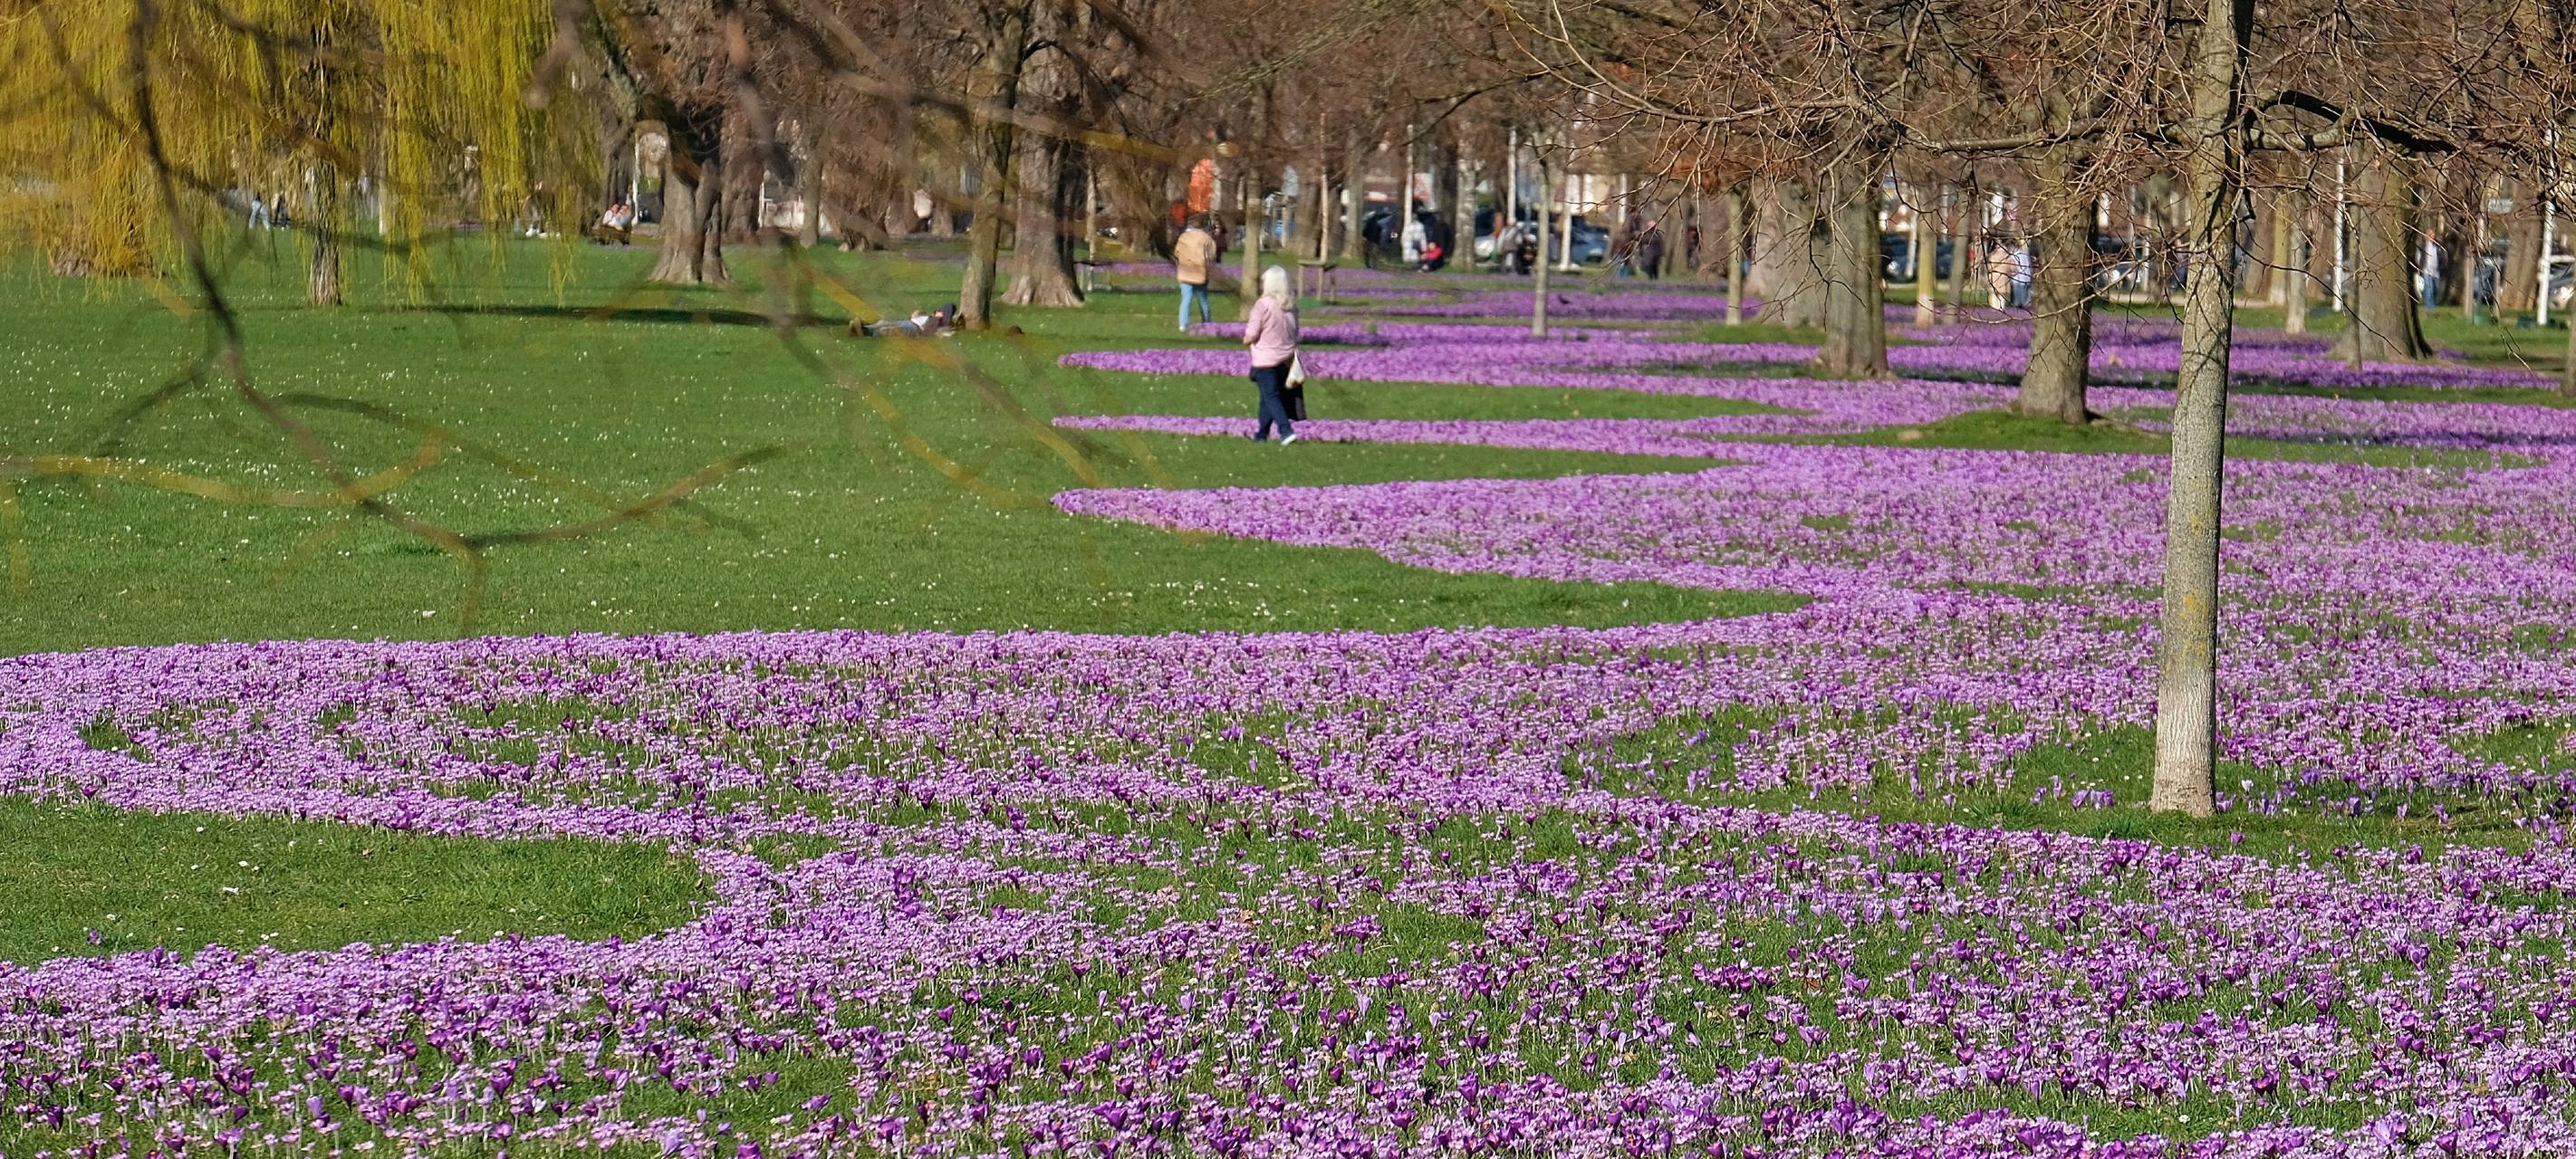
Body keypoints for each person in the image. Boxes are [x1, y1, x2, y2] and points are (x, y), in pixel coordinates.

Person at [1242, 265, 1300, 445]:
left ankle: (1286, 431)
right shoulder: (1291, 306)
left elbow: (1252, 333)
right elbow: (1296, 331)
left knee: (1271, 397)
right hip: (1286, 360)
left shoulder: (1263, 305)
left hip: (1265, 360)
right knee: (1267, 398)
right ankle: (1261, 435)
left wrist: (1246, 339)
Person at [1174, 216, 1218, 332]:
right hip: (1200, 272)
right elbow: (1212, 255)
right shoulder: (1206, 238)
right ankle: (1207, 322)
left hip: (1185, 272)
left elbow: (1177, 252)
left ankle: (1183, 324)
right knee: (1203, 300)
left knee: (1186, 300)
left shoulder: (1183, 237)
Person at [2419, 235, 2445, 309]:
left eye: (2433, 235)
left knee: (2435, 289)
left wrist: (2441, 266)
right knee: (2429, 289)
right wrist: (2421, 267)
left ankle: (2432, 304)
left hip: (2436, 272)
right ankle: (2430, 307)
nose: (2432, 237)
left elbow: (2442, 257)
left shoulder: (2437, 246)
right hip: (2427, 271)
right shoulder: (2424, 246)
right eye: (2430, 235)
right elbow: (2420, 257)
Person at [2009, 241, 2033, 310]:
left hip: (2018, 277)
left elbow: (2013, 266)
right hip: (2027, 276)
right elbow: (2030, 265)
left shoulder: (2014, 255)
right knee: (2025, 293)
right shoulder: (2025, 254)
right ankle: (2025, 306)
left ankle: (2019, 307)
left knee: (2018, 294)